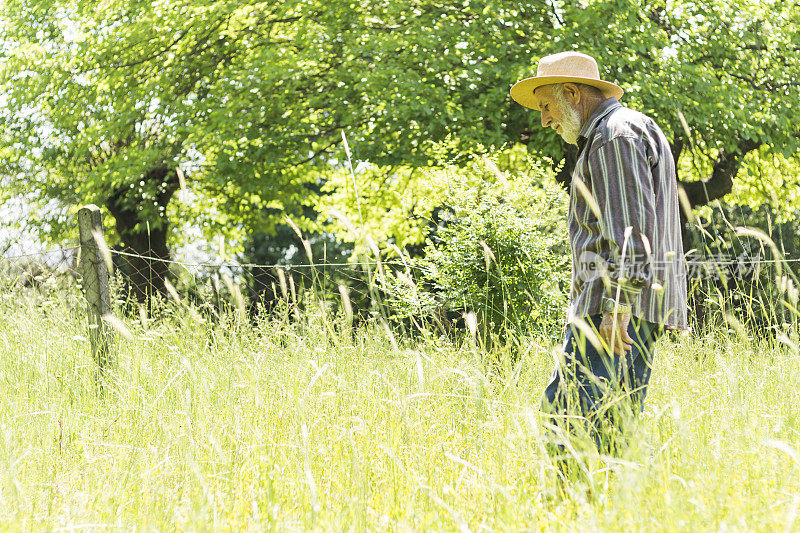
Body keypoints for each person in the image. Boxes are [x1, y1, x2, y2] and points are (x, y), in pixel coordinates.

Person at [510, 52, 688, 462]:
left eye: (546, 106)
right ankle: (608, 515)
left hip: (614, 308)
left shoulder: (614, 135)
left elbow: (631, 233)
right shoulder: (626, 129)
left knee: (567, 420)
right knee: (611, 427)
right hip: (627, 305)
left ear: (572, 93)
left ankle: (571, 515)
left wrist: (616, 306)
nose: (545, 120)